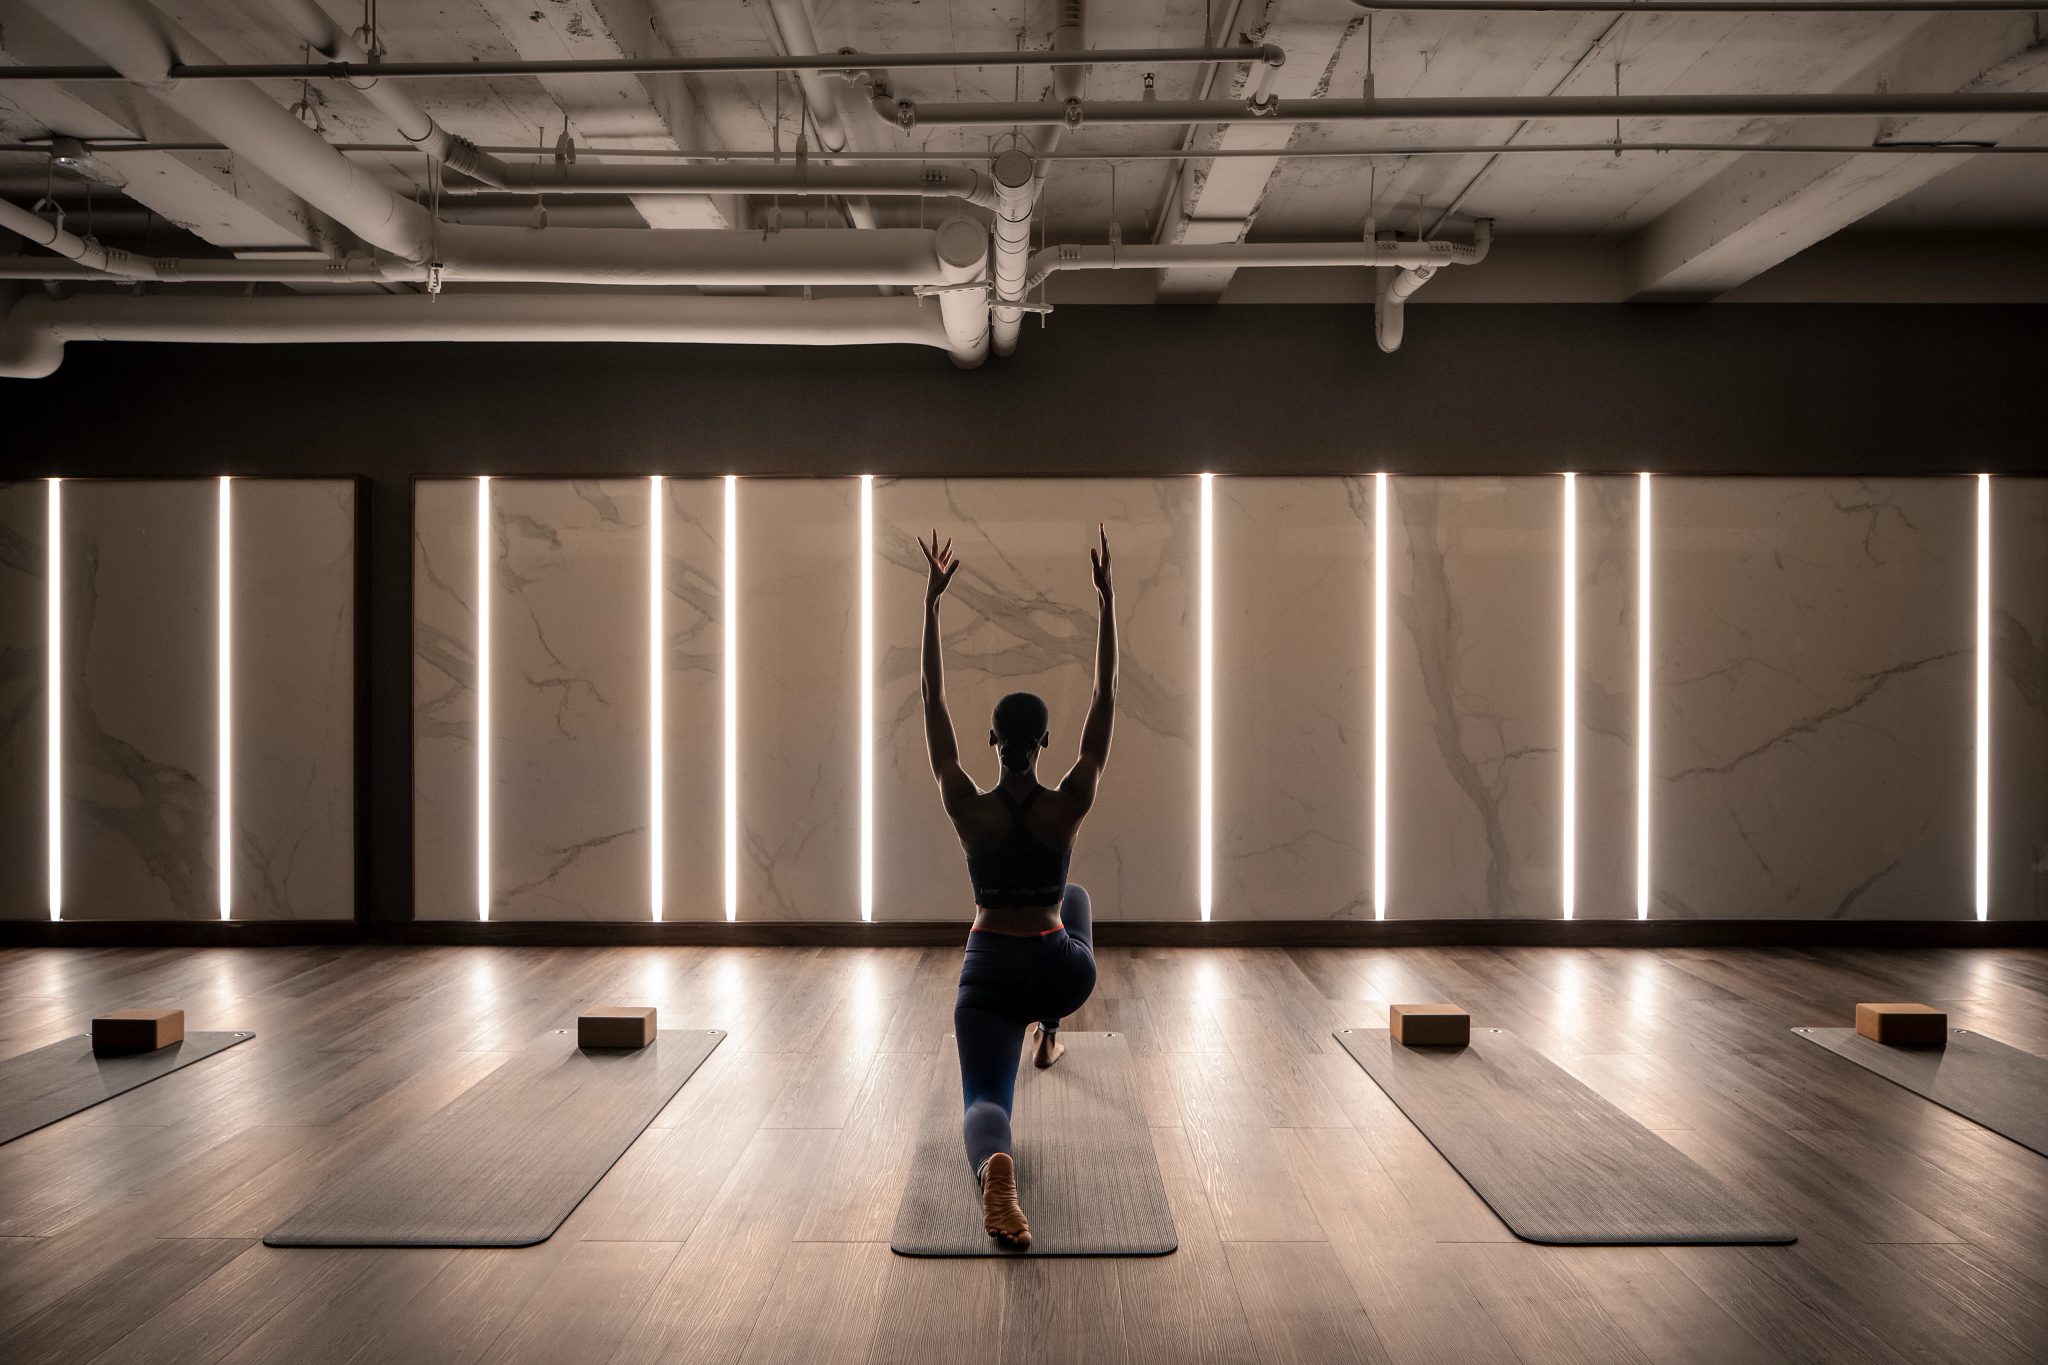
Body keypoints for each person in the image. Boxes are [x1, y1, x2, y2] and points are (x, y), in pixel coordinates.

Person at [918, 524, 1116, 1250]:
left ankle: (998, 1167)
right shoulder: (1068, 803)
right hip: (1058, 970)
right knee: (1079, 899)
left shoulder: (969, 807)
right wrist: (1106, 601)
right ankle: (1052, 1031)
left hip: (991, 971)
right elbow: (1105, 698)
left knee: (984, 1100)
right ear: (1044, 744)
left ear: (995, 743)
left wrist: (933, 605)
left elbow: (932, 704)